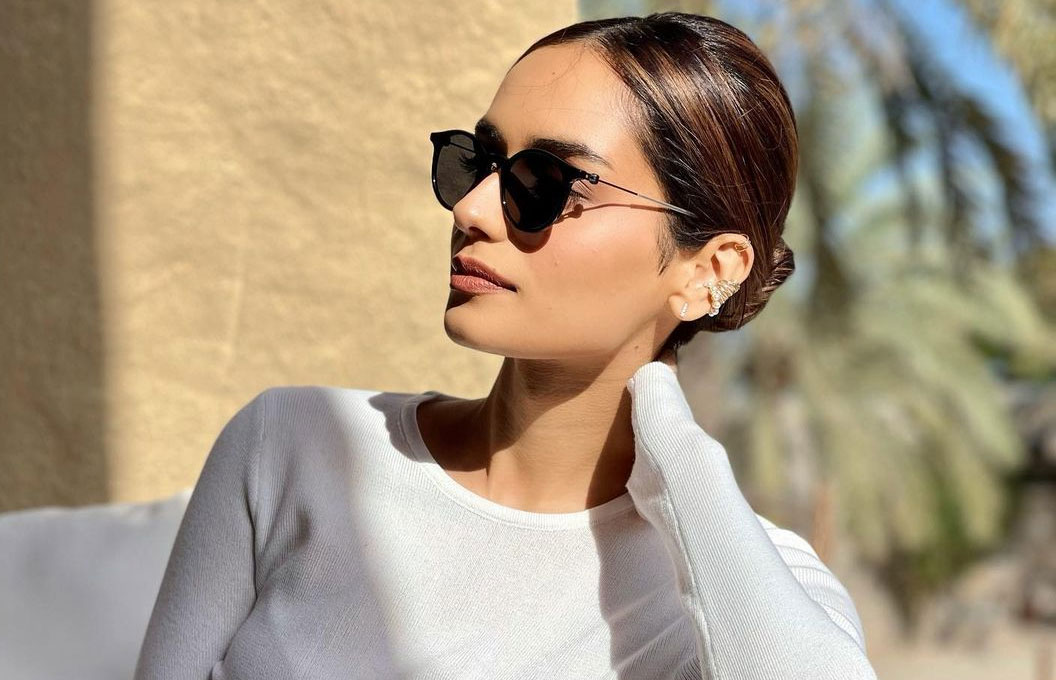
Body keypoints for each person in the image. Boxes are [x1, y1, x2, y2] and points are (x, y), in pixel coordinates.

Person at [134, 11, 878, 680]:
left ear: (708, 271)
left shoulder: (748, 585)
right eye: (478, 161)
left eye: (547, 182)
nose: (471, 208)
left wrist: (680, 451)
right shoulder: (292, 446)